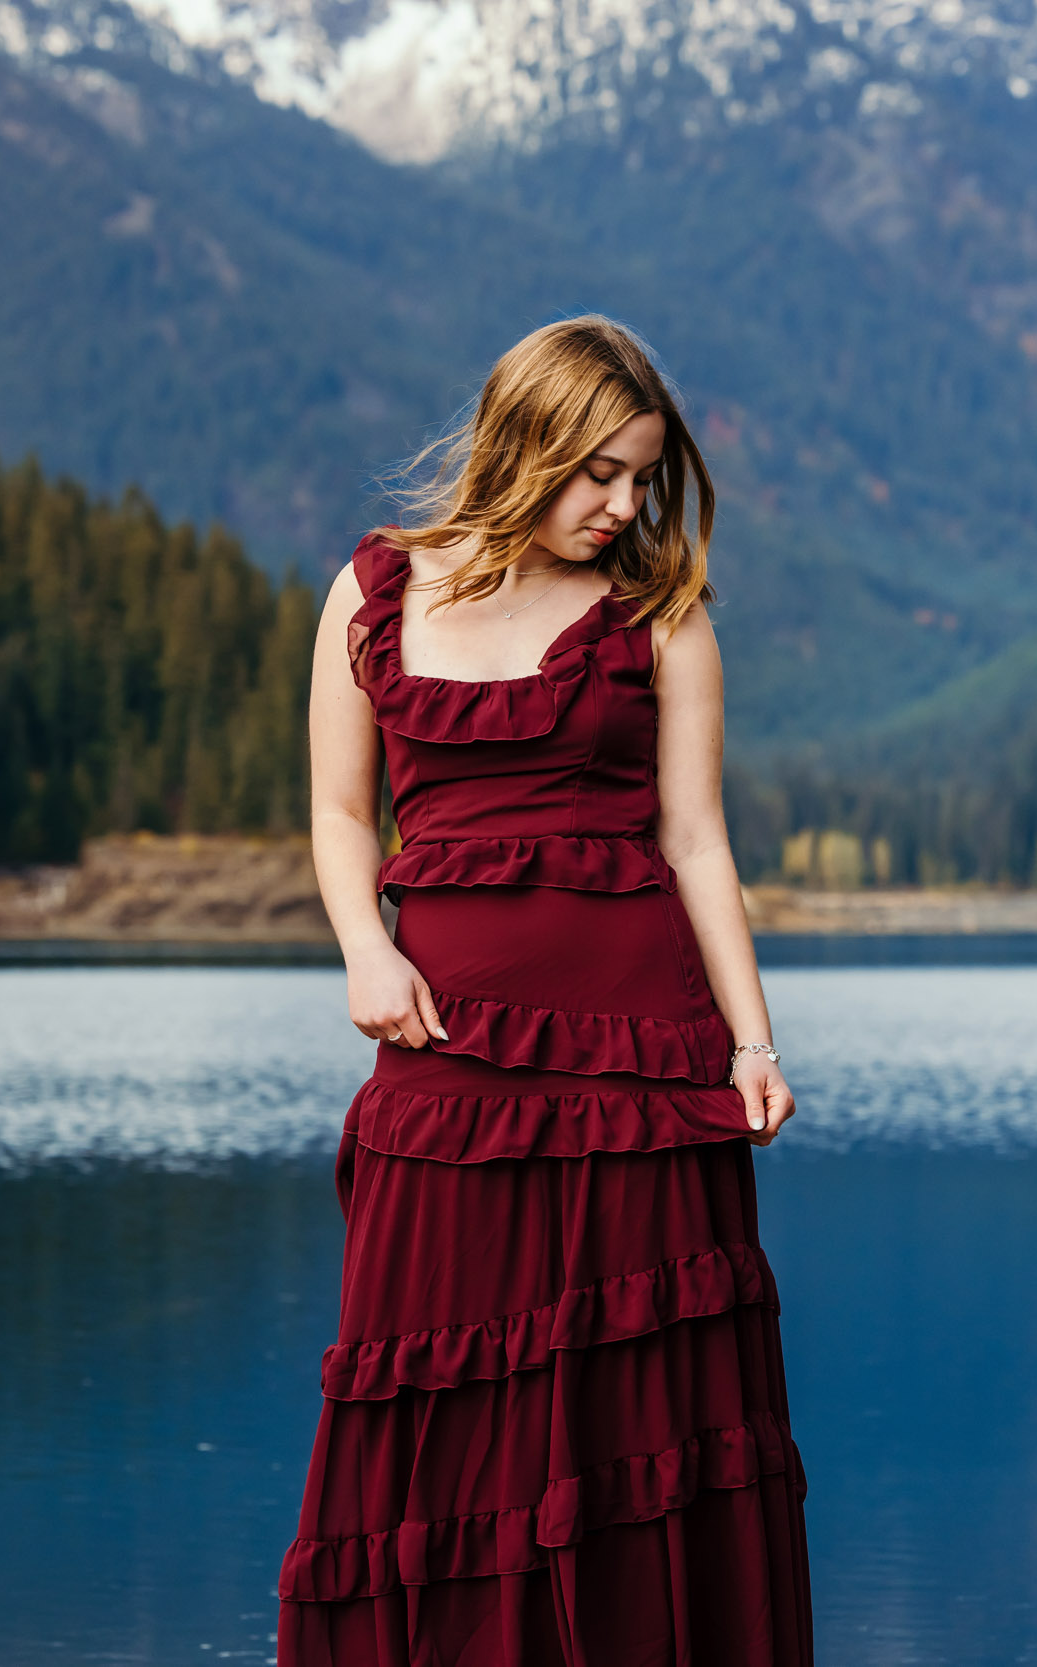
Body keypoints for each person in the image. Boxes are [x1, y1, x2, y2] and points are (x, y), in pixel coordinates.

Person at [276, 315, 816, 1664]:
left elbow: (696, 839)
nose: (626, 506)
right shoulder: (373, 591)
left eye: (644, 477)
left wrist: (752, 1042)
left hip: (643, 1071)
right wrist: (363, 947)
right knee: (434, 1397)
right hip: (446, 1062)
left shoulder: (659, 619)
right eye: (601, 474)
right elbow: (344, 815)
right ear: (527, 445)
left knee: (639, 1427)